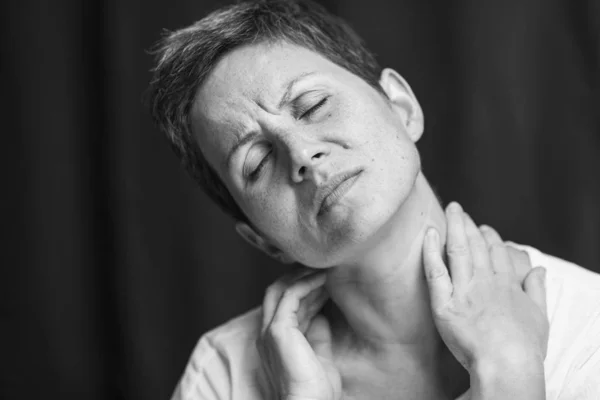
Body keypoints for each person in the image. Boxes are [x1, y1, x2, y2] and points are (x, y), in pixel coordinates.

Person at [147, 1, 600, 399]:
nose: (302, 154)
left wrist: (509, 369)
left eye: (311, 105)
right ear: (262, 239)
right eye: (257, 163)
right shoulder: (221, 375)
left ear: (402, 107)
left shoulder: (588, 329)